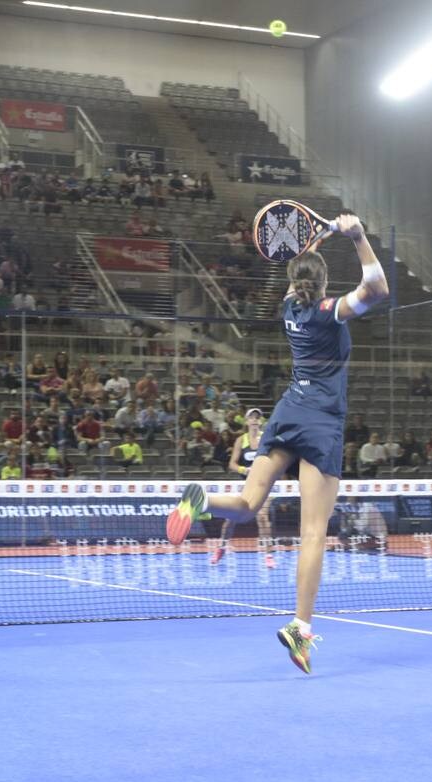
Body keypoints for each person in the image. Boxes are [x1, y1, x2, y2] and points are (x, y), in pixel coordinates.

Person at [164, 215, 388, 674]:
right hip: (322, 422)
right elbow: (377, 290)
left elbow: (301, 279)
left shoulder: (290, 309)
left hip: (286, 413)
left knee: (247, 503)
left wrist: (323, 244)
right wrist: (359, 237)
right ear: (324, 284)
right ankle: (299, 627)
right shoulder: (329, 312)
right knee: (312, 534)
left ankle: (201, 499)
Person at [210, 408, 278, 569]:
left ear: (261, 422)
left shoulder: (267, 440)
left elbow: (275, 461)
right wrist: (244, 470)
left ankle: (268, 555)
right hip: (245, 485)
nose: (254, 420)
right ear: (247, 422)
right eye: (251, 417)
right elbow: (232, 464)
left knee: (262, 517)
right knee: (230, 520)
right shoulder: (241, 440)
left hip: (263, 484)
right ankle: (222, 548)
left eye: (257, 417)